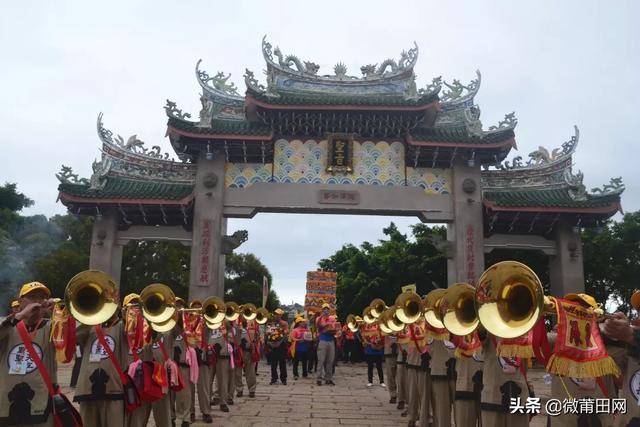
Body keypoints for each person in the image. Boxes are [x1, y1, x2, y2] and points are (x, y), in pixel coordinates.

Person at [0, 282, 60, 426]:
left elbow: (69, 342)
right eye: (32, 297)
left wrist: (57, 313)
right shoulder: (8, 325)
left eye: (42, 298)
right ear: (20, 301)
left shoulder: (51, 327)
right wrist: (20, 315)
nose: (37, 301)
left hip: (41, 401)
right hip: (7, 401)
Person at [186, 301, 212, 424]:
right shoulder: (184, 321)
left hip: (202, 357)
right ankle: (190, 412)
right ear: (189, 309)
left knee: (204, 387)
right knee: (189, 388)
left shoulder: (205, 322)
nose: (196, 309)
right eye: (194, 307)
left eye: (199, 307)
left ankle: (206, 412)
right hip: (189, 358)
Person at [235, 318, 259, 398]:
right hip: (238, 351)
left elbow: (257, 337)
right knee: (237, 372)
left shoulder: (253, 324)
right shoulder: (235, 323)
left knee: (251, 372)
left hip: (248, 351)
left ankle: (252, 390)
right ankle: (239, 389)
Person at [315, 303, 337, 386]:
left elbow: (336, 327)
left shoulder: (332, 318)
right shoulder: (319, 318)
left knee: (330, 361)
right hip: (323, 340)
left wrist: (335, 329)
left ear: (329, 310)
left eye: (327, 309)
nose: (326, 310)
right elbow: (318, 325)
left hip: (331, 340)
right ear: (322, 310)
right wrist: (322, 316)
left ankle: (328, 378)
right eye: (324, 309)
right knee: (321, 360)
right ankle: (319, 379)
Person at [266, 308, 289, 385]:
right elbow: (268, 333)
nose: (277, 316)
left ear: (281, 315)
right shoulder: (271, 323)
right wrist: (269, 341)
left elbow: (286, 332)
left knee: (282, 362)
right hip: (273, 345)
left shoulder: (284, 323)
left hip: (281, 345)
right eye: (276, 314)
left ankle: (283, 379)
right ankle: (274, 378)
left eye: (278, 314)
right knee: (273, 363)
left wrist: (280, 332)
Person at [360, 321, 385, 388]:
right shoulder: (366, 325)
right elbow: (363, 336)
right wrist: (369, 343)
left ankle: (382, 381)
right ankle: (370, 381)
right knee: (370, 366)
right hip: (369, 350)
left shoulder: (379, 325)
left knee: (379, 366)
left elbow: (383, 335)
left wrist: (380, 344)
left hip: (378, 349)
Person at [383, 328, 399, 404]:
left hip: (402, 351)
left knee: (402, 376)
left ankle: (402, 397)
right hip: (389, 350)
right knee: (390, 375)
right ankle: (393, 394)